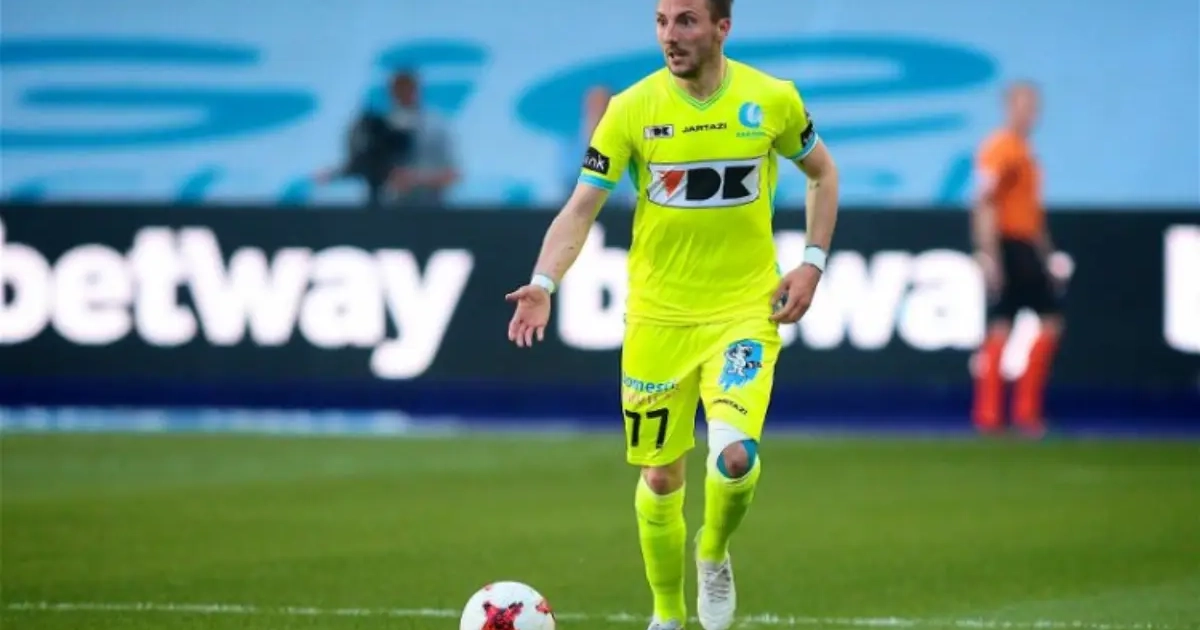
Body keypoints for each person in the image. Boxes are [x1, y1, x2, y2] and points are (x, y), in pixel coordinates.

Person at [504, 1, 840, 629]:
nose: (670, 35)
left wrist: (812, 263)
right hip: (658, 320)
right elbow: (580, 208)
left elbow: (822, 173)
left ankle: (713, 548)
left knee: (735, 458)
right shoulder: (630, 109)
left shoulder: (772, 99)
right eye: (661, 21)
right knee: (661, 478)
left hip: (745, 311)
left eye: (686, 20)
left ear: (722, 28)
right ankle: (666, 613)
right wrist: (544, 282)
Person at [971, 81, 1063, 437]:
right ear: (1009, 107)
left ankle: (1003, 414)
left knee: (1007, 323)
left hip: (1025, 244)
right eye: (1023, 105)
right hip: (1010, 244)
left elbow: (1033, 212)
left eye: (1033, 106)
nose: (1030, 113)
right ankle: (1009, 413)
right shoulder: (1001, 149)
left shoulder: (1024, 151)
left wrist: (1047, 253)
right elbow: (984, 202)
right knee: (1040, 321)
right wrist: (989, 254)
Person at [314, 71, 458, 208]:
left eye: (407, 88)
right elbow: (364, 162)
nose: (403, 93)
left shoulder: (434, 127)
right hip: (389, 210)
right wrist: (335, 174)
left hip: (429, 210)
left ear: (417, 90)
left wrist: (415, 179)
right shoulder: (381, 126)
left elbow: (452, 174)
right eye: (398, 88)